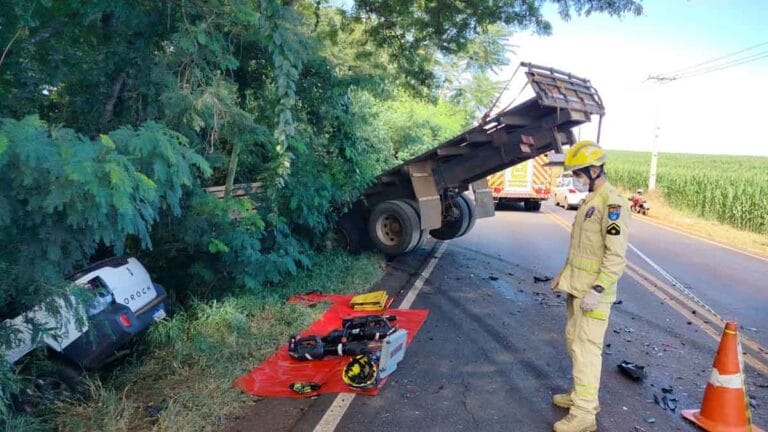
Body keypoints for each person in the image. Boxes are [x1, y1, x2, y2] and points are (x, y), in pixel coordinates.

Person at [550, 140, 630, 432]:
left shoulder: (612, 205)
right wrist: (563, 275)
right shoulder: (591, 200)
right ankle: (581, 396)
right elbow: (582, 249)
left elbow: (615, 256)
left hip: (593, 294)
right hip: (577, 288)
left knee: (586, 350)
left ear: (594, 170)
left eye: (578, 173)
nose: (576, 179)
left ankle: (584, 415)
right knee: (574, 342)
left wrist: (597, 290)